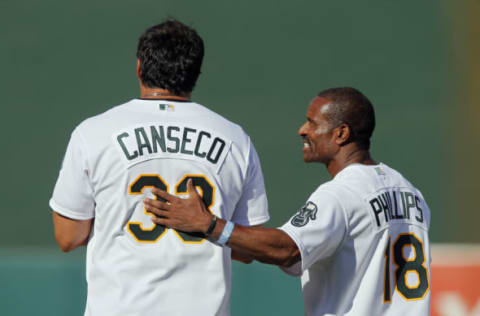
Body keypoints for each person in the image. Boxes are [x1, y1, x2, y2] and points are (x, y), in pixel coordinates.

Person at [145, 87, 432, 316]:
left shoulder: (342, 194)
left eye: (312, 122)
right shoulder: (410, 192)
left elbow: (288, 250)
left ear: (341, 133)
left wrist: (209, 225)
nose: (302, 130)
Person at [49, 19, 269, 316]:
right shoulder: (235, 139)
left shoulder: (93, 132)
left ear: (140, 67)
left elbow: (68, 236)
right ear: (195, 72)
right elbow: (246, 248)